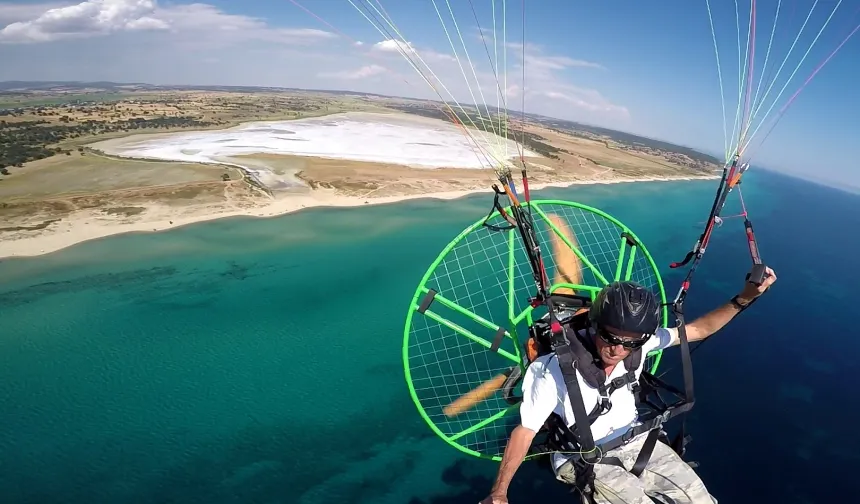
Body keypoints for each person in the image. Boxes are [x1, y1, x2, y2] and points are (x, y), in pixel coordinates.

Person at [480, 215, 777, 504]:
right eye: (610, 337)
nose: (619, 349)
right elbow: (525, 431)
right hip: (583, 456)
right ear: (595, 325)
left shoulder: (641, 346)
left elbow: (699, 329)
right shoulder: (553, 368)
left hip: (638, 441)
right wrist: (500, 491)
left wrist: (745, 297)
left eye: (631, 342)